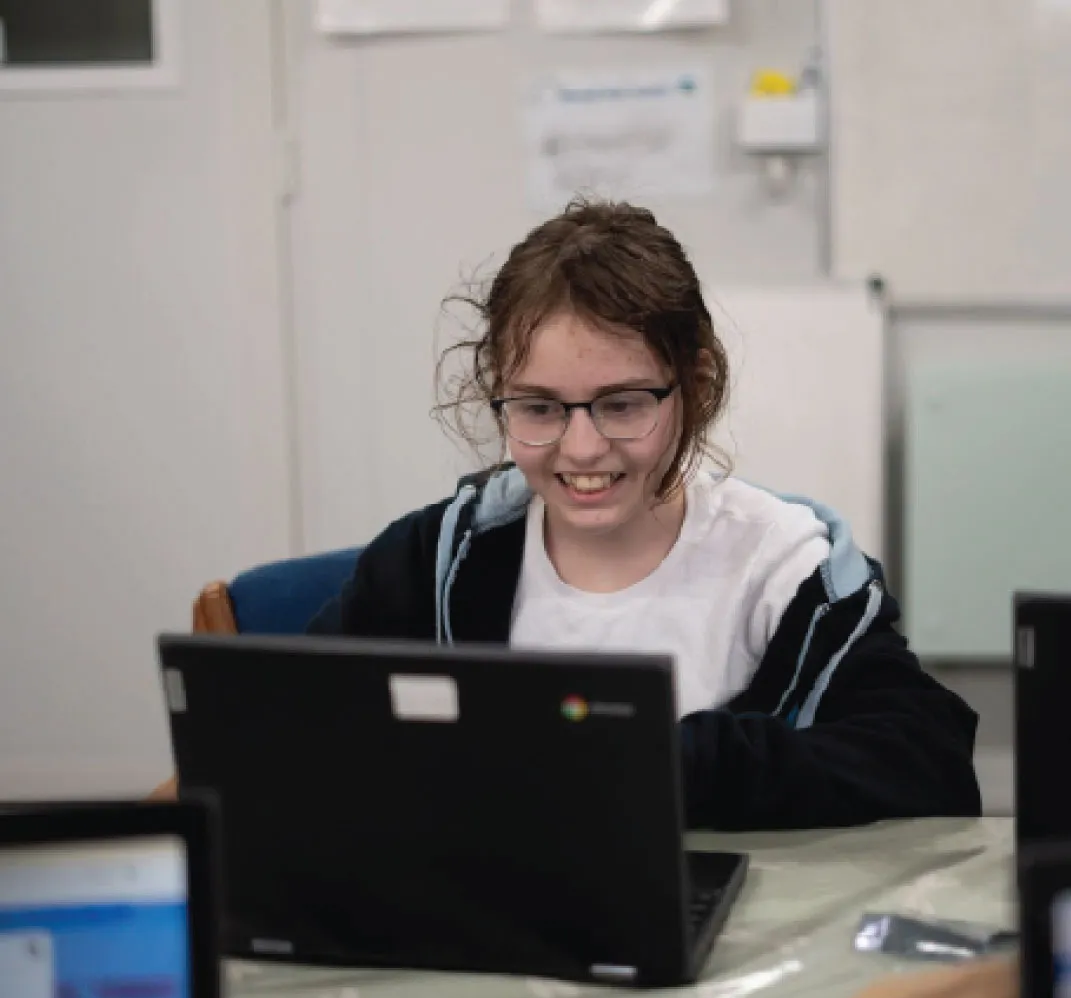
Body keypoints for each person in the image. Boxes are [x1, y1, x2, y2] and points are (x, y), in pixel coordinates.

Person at [308, 198, 981, 831]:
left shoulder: (783, 569)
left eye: (622, 404)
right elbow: (284, 720)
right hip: (491, 930)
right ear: (498, 396)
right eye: (539, 408)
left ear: (696, 386)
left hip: (724, 937)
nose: (581, 448)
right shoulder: (438, 560)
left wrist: (675, 762)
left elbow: (928, 765)